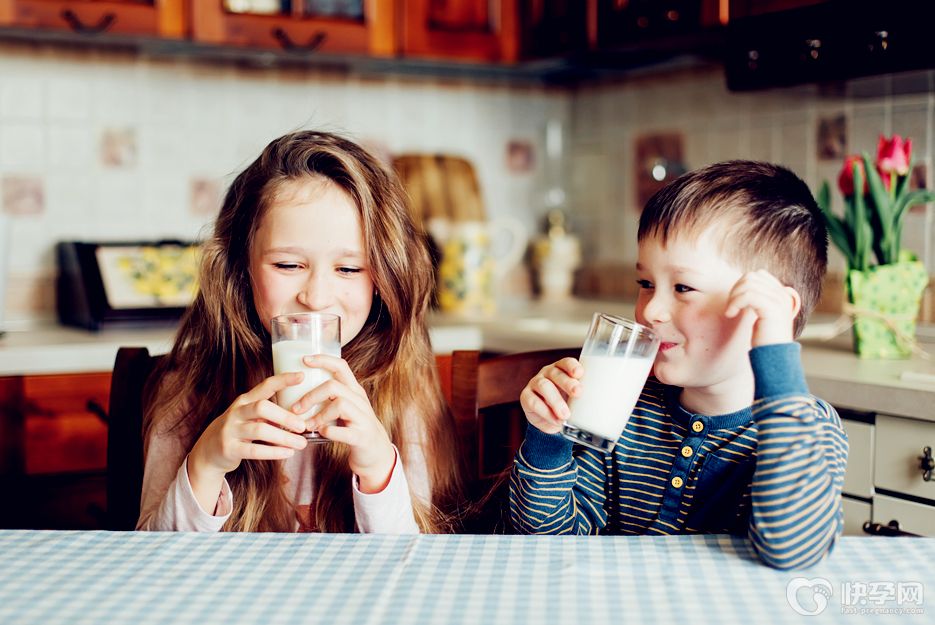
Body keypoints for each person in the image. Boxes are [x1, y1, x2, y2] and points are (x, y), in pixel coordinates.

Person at [509, 160, 848, 569]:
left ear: (770, 309)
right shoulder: (624, 408)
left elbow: (792, 550)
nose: (651, 309)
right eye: (646, 283)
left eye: (683, 287)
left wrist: (775, 350)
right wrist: (548, 440)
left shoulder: (806, 427)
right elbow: (547, 544)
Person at [138, 130, 462, 533]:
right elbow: (153, 563)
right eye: (288, 266)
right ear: (241, 268)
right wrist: (205, 464)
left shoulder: (403, 393)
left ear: (383, 278)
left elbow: (412, 570)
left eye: (349, 269)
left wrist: (378, 468)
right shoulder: (189, 393)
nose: (316, 297)